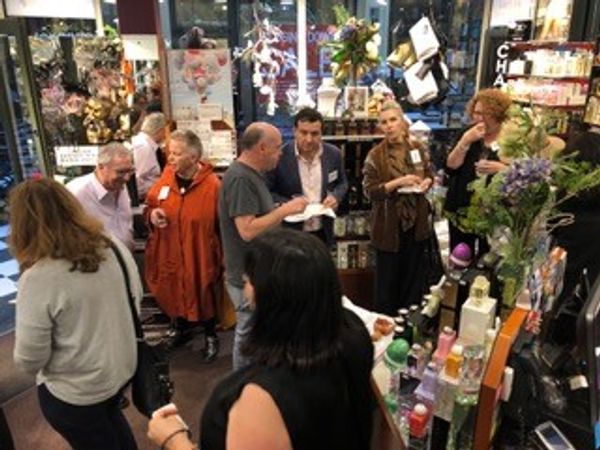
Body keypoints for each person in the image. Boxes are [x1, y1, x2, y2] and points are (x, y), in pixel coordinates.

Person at [147, 229, 374, 450]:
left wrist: (174, 440)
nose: (245, 291)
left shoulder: (262, 398)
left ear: (269, 295)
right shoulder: (352, 331)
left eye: (247, 282)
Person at [11, 178, 142, 450]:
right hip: (119, 373)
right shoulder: (112, 245)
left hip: (76, 391)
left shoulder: (39, 277)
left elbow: (29, 360)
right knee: (115, 431)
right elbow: (136, 299)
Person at [218, 122, 308, 370]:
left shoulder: (250, 175)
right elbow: (247, 230)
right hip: (246, 276)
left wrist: (278, 210)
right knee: (247, 333)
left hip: (255, 271)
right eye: (278, 148)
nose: (281, 153)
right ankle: (241, 384)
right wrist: (285, 210)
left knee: (255, 331)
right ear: (262, 148)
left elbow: (256, 217)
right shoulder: (240, 178)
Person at [144, 130, 223, 362]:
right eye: (169, 152)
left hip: (200, 250)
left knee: (203, 290)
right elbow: (151, 205)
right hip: (169, 249)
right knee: (173, 288)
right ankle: (179, 328)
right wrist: (152, 215)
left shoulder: (213, 185)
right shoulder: (166, 178)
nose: (170, 158)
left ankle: (210, 334)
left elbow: (222, 224)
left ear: (193, 157)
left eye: (177, 154)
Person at [362, 100, 434, 315]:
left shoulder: (417, 148)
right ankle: (386, 326)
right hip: (388, 230)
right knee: (387, 289)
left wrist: (427, 182)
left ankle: (409, 325)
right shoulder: (375, 155)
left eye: (393, 120)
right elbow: (370, 192)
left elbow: (428, 174)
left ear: (402, 121)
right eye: (384, 122)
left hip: (417, 226)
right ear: (380, 127)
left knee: (413, 286)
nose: (389, 126)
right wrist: (398, 183)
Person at [444, 88, 511, 256]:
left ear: (499, 115)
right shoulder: (468, 133)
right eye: (476, 113)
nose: (479, 118)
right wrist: (465, 141)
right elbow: (451, 167)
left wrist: (502, 169)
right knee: (459, 256)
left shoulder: (510, 139)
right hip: (462, 208)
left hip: (493, 214)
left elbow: (523, 173)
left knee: (488, 258)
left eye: (486, 114)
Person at [265, 108, 348, 246]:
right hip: (291, 232)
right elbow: (267, 191)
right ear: (294, 131)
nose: (309, 139)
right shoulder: (280, 156)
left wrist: (335, 197)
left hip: (323, 230)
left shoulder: (334, 154)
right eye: (303, 133)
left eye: (314, 134)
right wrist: (287, 204)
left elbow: (342, 182)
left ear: (321, 133)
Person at [67, 142, 134, 250]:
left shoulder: (119, 185)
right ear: (101, 167)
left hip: (124, 256)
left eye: (130, 171)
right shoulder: (77, 192)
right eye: (120, 172)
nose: (127, 178)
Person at [132, 112, 167, 200]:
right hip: (146, 197)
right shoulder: (144, 147)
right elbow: (138, 179)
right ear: (161, 130)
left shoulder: (147, 145)